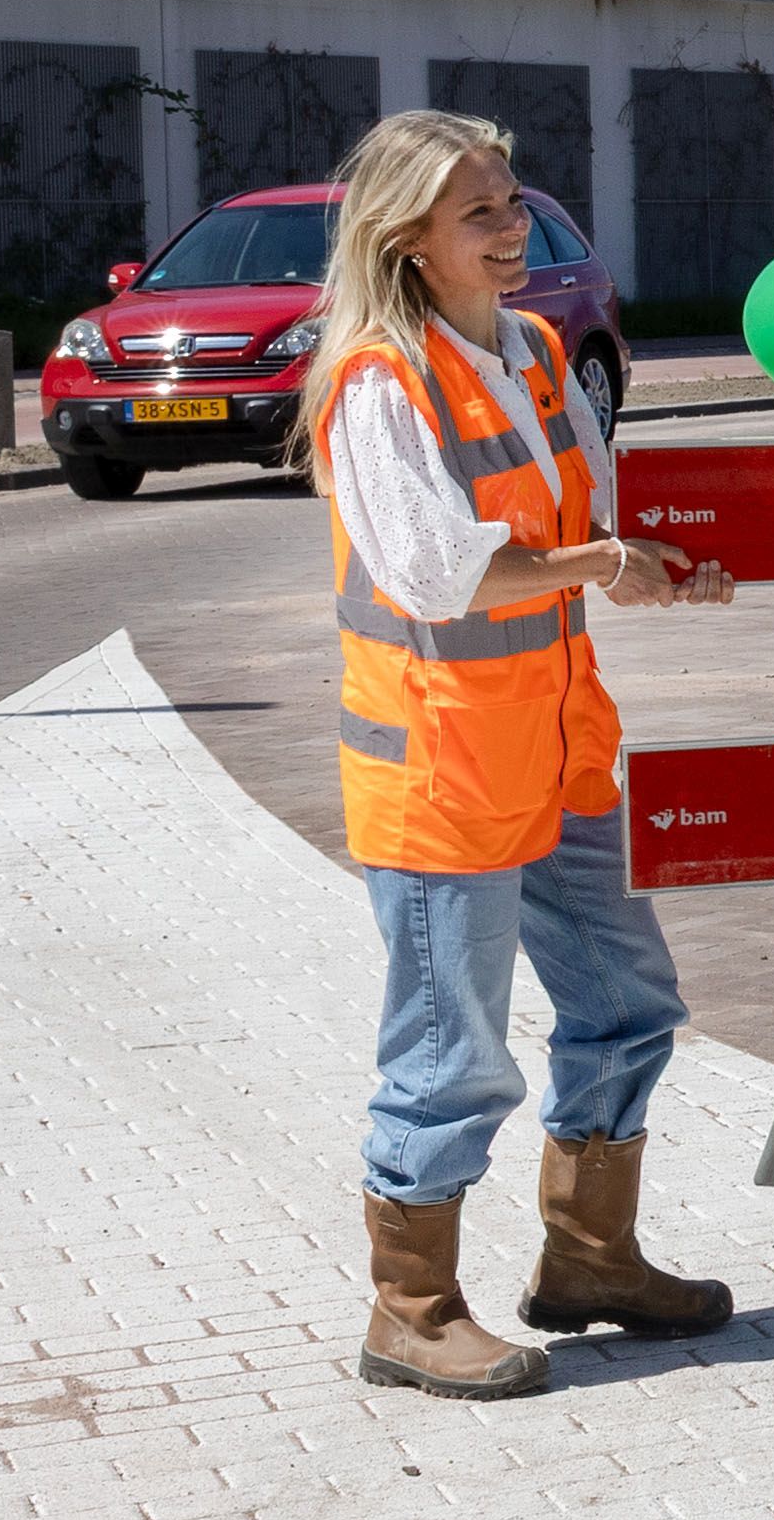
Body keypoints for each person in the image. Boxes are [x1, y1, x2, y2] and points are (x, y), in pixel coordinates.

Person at [303, 109, 739, 1400]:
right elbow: (443, 575)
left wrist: (647, 565)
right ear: (410, 242)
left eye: (513, 201)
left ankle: (592, 1257)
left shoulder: (540, 353)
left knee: (628, 1001)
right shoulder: (379, 384)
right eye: (479, 214)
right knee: (452, 1053)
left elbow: (586, 522)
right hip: (442, 769)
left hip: (554, 750)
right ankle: (413, 1306)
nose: (515, 230)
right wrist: (600, 563)